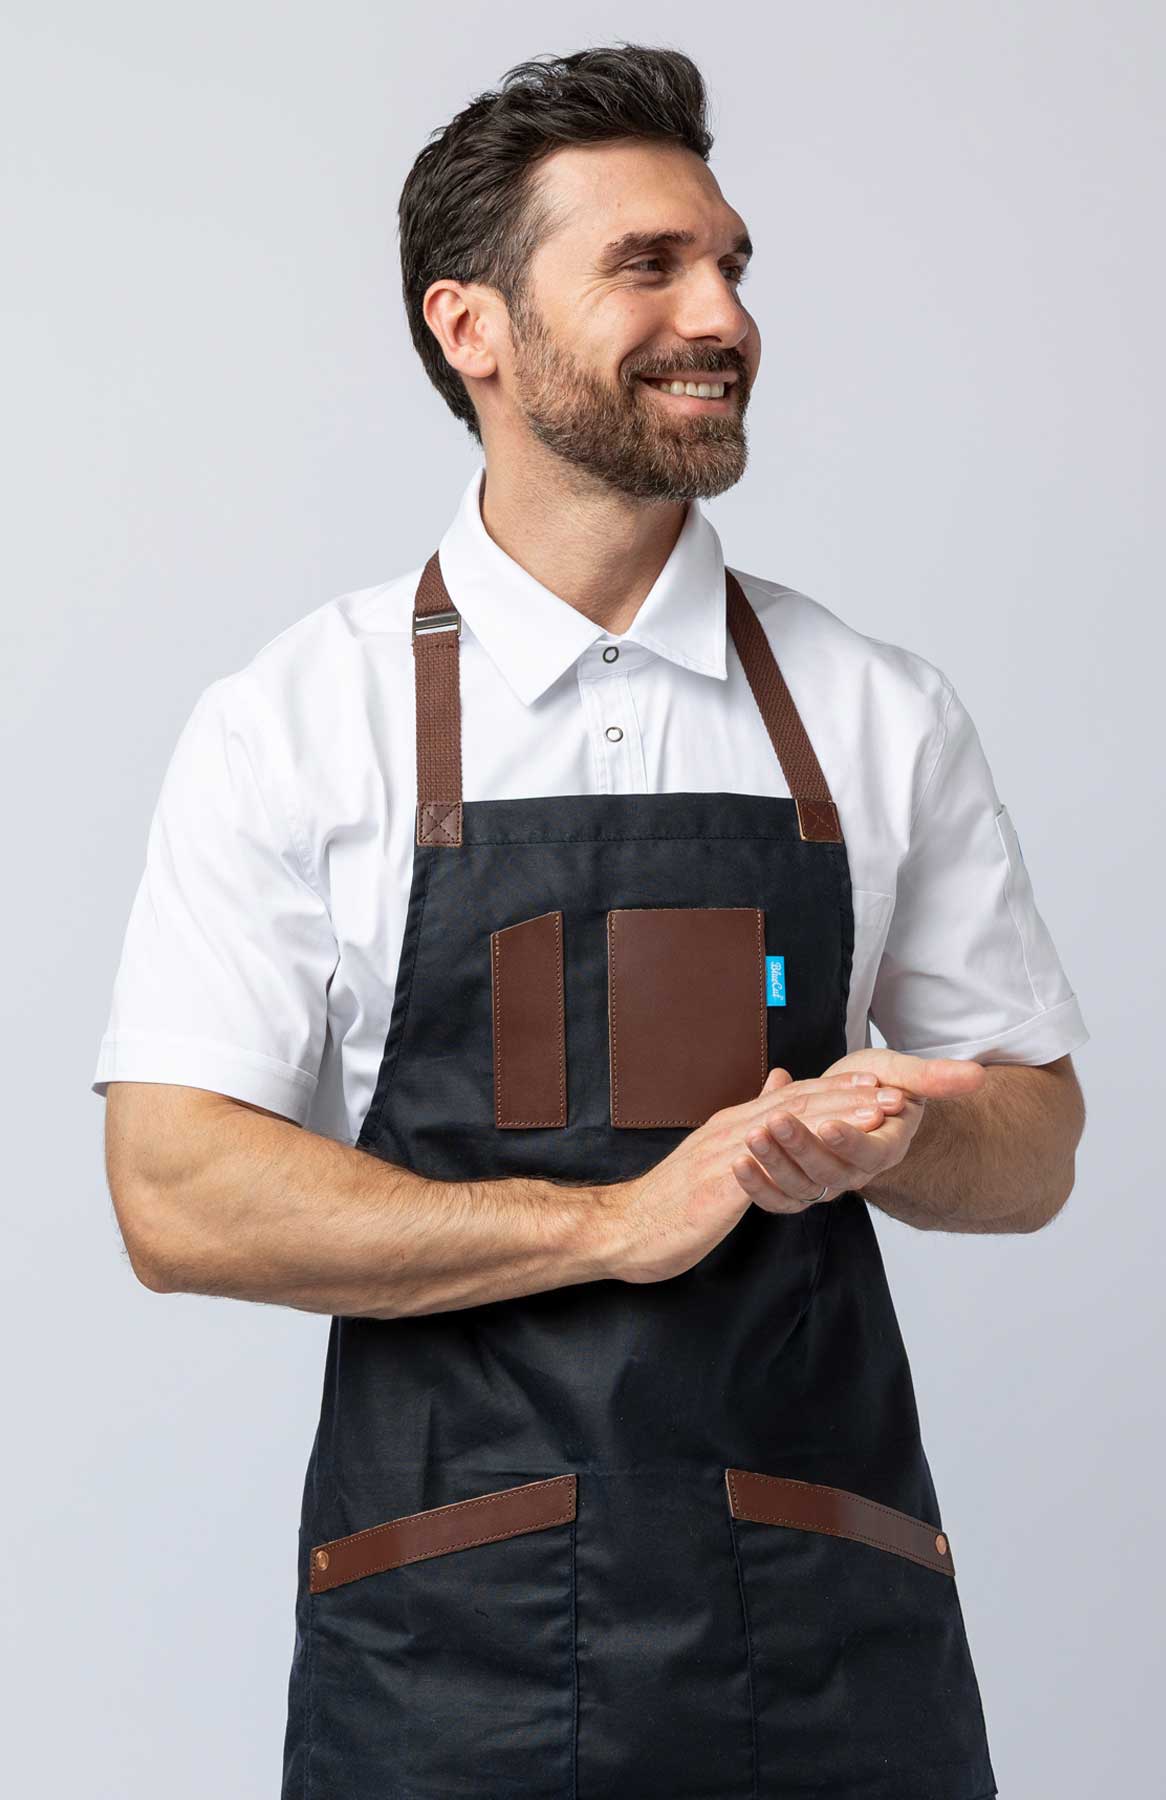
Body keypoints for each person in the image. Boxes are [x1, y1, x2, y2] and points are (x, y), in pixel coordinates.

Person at [93, 43, 1088, 1800]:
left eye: (731, 266)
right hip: (442, 1655)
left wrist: (901, 1133)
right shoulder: (299, 723)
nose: (723, 316)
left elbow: (1035, 1150)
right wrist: (622, 1223)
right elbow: (175, 1192)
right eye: (650, 265)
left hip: (825, 1633)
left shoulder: (876, 711)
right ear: (471, 326)